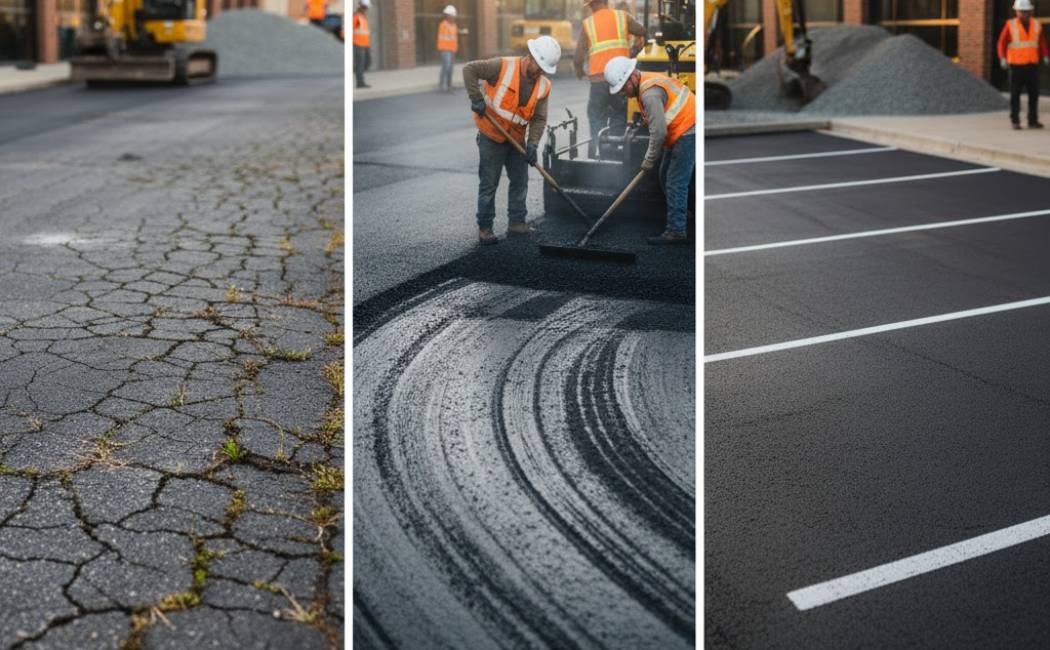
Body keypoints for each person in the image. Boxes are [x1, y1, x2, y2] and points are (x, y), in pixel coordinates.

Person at [463, 36, 561, 245]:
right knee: (489, 183)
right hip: (491, 135)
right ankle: (485, 228)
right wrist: (476, 98)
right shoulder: (502, 66)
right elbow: (469, 70)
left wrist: (533, 143)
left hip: (516, 139)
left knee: (520, 180)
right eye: (539, 67)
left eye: (544, 69)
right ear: (531, 57)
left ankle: (517, 222)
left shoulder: (543, 85)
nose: (540, 72)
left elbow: (539, 118)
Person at [605, 56, 694, 245]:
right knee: (665, 175)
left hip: (688, 130)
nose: (622, 93)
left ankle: (676, 230)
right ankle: (683, 215)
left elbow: (659, 132)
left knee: (675, 182)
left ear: (632, 78)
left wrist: (648, 159)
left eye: (622, 88)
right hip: (680, 130)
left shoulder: (649, 94)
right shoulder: (644, 84)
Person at [573, 0, 646, 158]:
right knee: (619, 115)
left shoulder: (588, 24)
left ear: (591, 5)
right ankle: (614, 155)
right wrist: (636, 48)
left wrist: (580, 72)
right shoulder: (622, 17)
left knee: (596, 119)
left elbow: (578, 56)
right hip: (620, 81)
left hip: (598, 83)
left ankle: (594, 157)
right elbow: (642, 30)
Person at [997, 0, 1049, 130]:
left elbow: (1041, 41)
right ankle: (1015, 120)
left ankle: (1033, 120)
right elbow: (1001, 43)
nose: (1025, 14)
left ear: (1030, 11)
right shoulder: (1010, 25)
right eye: (1022, 11)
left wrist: (1045, 54)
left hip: (1032, 65)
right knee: (1015, 95)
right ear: (1017, 11)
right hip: (1016, 66)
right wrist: (1002, 58)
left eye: (1027, 11)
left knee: (1034, 94)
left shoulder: (1036, 25)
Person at [437, 5, 459, 93]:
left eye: (453, 16)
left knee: (450, 68)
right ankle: (444, 85)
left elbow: (454, 37)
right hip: (445, 49)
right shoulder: (443, 25)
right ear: (448, 16)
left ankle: (448, 85)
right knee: (447, 67)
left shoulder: (454, 26)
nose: (453, 17)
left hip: (452, 49)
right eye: (452, 15)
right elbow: (447, 36)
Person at [352, 0, 371, 89]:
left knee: (367, 62)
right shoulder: (356, 17)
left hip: (365, 44)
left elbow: (364, 32)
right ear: (362, 7)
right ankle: (360, 82)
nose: (366, 10)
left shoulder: (362, 17)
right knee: (360, 64)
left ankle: (357, 73)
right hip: (358, 44)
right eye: (365, 8)